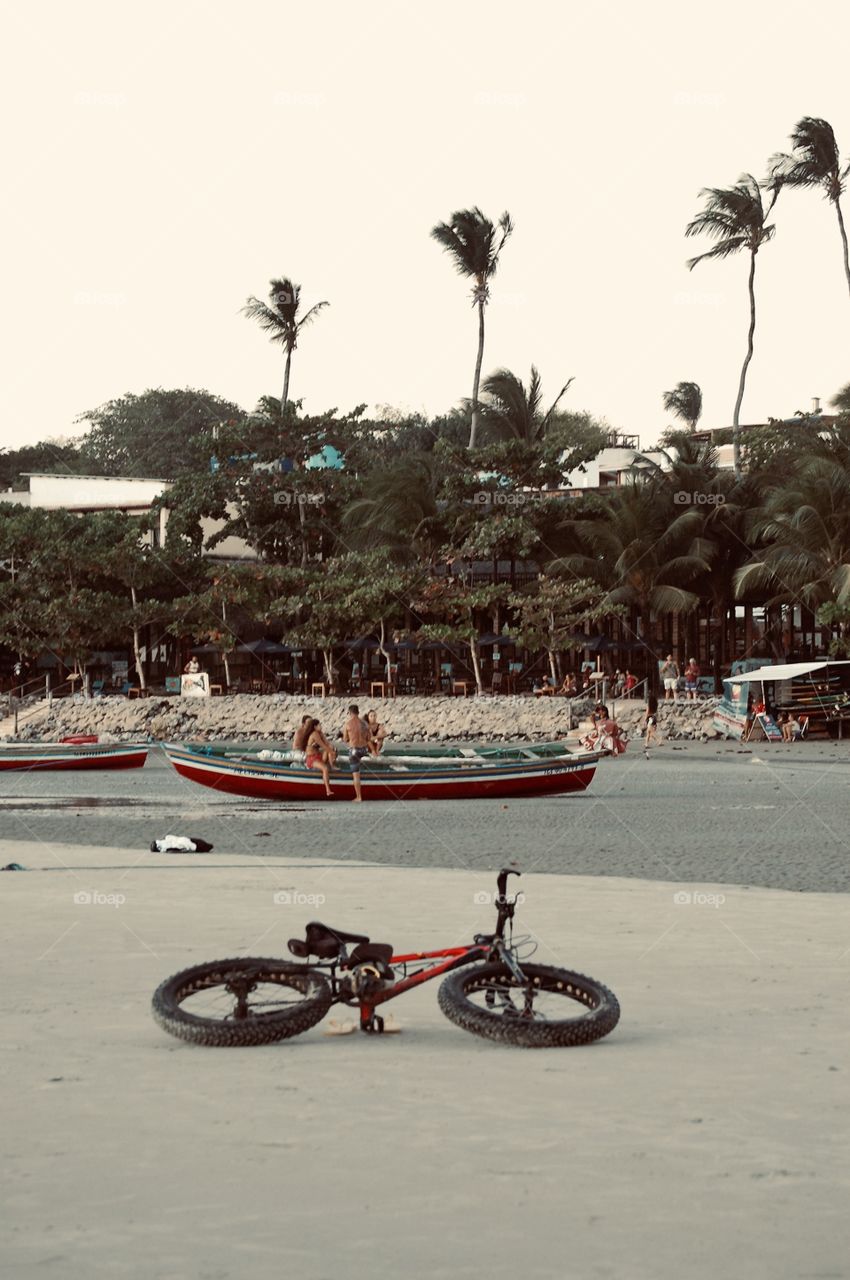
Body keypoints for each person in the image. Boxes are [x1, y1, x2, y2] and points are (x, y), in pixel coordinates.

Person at [342, 704, 371, 802]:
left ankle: (359, 796)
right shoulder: (365, 724)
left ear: (350, 713)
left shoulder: (348, 724)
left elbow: (345, 739)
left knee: (356, 775)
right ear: (358, 712)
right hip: (364, 750)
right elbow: (369, 738)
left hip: (354, 751)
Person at [304, 719, 335, 798]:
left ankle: (332, 765)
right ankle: (328, 790)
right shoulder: (314, 734)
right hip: (311, 759)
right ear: (315, 727)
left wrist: (332, 749)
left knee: (331, 748)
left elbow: (327, 744)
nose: (321, 726)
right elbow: (323, 746)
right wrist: (332, 752)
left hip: (319, 757)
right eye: (319, 725)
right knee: (325, 768)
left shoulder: (320, 733)